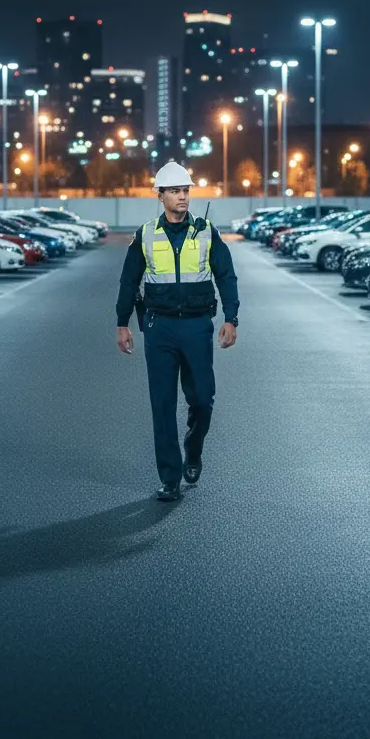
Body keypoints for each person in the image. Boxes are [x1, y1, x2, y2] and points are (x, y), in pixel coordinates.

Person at [115, 160, 240, 501]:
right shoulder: (145, 234)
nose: (183, 197)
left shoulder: (206, 232)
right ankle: (169, 477)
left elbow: (226, 276)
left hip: (198, 326)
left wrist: (232, 318)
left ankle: (194, 449)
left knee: (202, 399)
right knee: (163, 404)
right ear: (160, 196)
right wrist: (122, 323)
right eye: (175, 191)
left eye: (185, 190)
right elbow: (129, 281)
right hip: (159, 327)